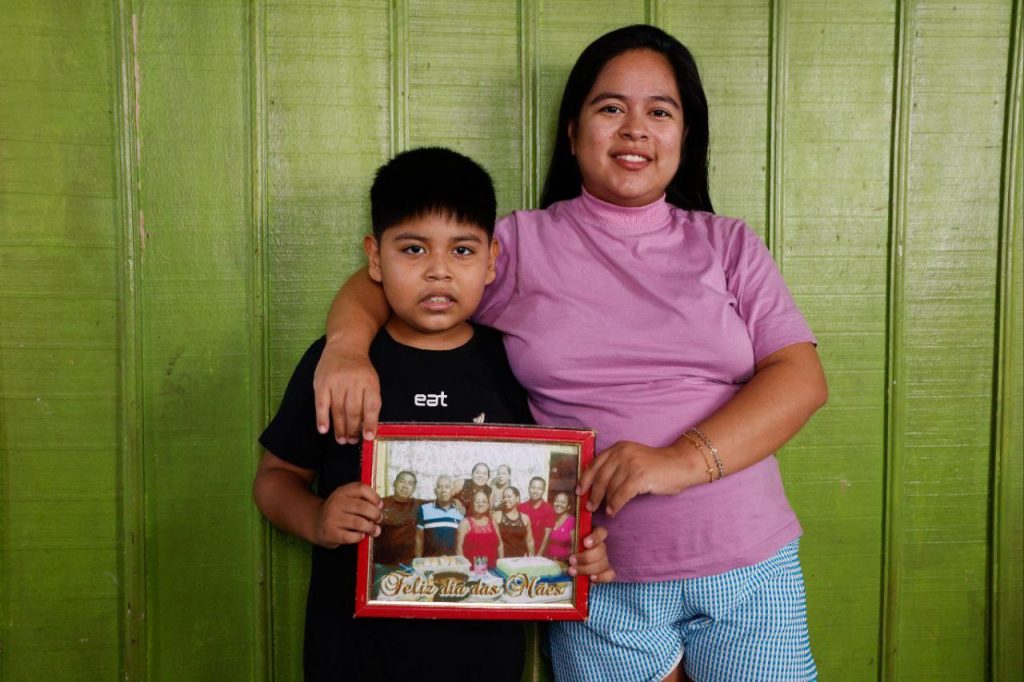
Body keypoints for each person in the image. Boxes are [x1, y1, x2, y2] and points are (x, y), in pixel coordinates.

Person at [311, 24, 826, 682]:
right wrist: (347, 348)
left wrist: (677, 461)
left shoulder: (728, 245)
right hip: (592, 579)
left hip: (747, 567)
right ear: (571, 129)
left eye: (659, 112)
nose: (635, 129)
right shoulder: (519, 245)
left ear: (684, 135)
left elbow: (801, 378)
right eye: (611, 107)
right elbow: (399, 271)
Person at [253, 147, 611, 682]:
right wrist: (316, 519)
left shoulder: (514, 362)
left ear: (491, 261)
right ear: (375, 258)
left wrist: (578, 548)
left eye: (463, 251)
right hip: (352, 653)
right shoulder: (338, 364)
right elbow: (275, 479)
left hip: (484, 655)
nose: (438, 271)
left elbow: (557, 485)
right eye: (413, 249)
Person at [375, 470, 421, 566]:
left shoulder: (418, 504)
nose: (405, 486)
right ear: (394, 483)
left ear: (414, 489)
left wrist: (456, 501)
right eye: (402, 481)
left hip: (409, 565)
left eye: (410, 483)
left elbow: (442, 501)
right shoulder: (381, 503)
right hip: (382, 564)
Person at [415, 475, 463, 557]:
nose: (443, 490)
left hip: (452, 562)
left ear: (452, 491)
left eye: (447, 487)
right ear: (435, 491)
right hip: (430, 561)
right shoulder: (424, 509)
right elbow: (419, 538)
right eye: (439, 487)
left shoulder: (460, 511)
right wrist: (418, 560)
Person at [456, 490, 503, 570]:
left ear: (488, 505)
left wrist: (502, 565)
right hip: (473, 571)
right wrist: (464, 569)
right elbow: (458, 548)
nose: (480, 504)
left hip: (493, 570)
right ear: (472, 504)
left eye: (484, 502)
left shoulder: (492, 521)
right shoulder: (465, 523)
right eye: (477, 501)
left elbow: (500, 545)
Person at [493, 486, 534, 557]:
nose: (506, 499)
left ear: (517, 498)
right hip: (501, 560)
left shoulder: (525, 518)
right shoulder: (497, 516)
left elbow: (530, 541)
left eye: (509, 497)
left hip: (519, 561)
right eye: (504, 497)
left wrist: (532, 559)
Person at [519, 476, 555, 554]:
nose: (535, 491)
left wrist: (540, 554)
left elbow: (547, 535)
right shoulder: (521, 507)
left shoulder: (549, 509)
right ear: (529, 488)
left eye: (539, 489)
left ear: (543, 491)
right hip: (522, 551)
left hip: (540, 551)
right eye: (533, 487)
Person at [541, 492, 576, 561]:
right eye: (557, 501)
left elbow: (575, 547)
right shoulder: (549, 518)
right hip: (548, 561)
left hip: (564, 563)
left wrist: (564, 560)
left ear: (568, 506)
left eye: (563, 502)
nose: (559, 504)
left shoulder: (572, 521)